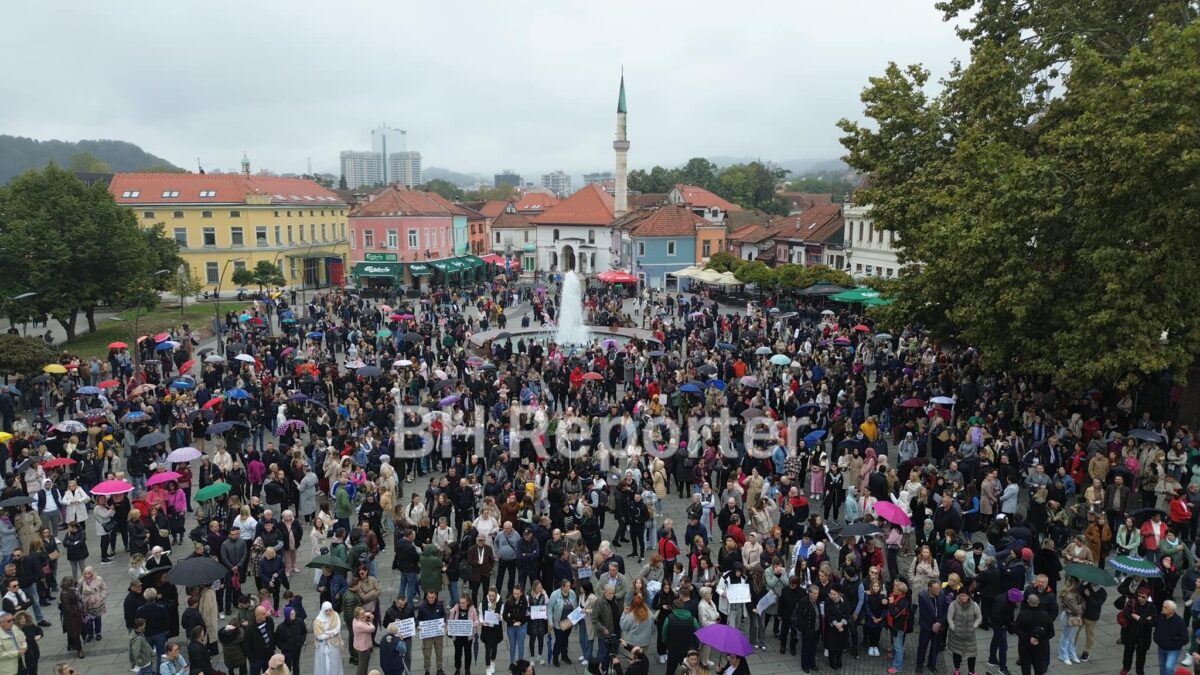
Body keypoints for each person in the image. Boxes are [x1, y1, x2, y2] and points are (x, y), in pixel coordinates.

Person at [1014, 594, 1053, 675]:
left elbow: (1017, 629)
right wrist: (1039, 639)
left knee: (1025, 667)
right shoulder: (1045, 615)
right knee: (1039, 667)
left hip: (1024, 645)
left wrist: (1029, 638)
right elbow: (1051, 633)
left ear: (1028, 602)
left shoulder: (1022, 614)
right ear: (1039, 602)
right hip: (1040, 646)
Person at [946, 585, 981, 675]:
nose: (963, 597)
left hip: (970, 635)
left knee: (972, 654)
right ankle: (957, 669)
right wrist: (953, 627)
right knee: (957, 653)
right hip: (956, 635)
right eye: (961, 595)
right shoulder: (953, 604)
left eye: (965, 595)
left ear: (968, 596)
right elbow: (949, 617)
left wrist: (974, 626)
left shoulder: (974, 605)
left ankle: (971, 671)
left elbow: (979, 617)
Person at [915, 580, 945, 674]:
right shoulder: (922, 596)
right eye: (936, 589)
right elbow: (924, 614)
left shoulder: (941, 594)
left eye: (938, 589)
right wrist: (934, 626)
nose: (938, 591)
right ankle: (919, 665)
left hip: (938, 626)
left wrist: (939, 623)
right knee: (922, 646)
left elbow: (944, 610)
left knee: (935, 647)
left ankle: (932, 665)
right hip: (926, 626)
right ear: (929, 589)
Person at [415, 589, 447, 675]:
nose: (431, 599)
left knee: (439, 653)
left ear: (435, 596)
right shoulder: (422, 607)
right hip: (427, 635)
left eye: (432, 597)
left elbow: (444, 615)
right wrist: (417, 625)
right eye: (429, 597)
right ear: (427, 596)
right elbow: (418, 618)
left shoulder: (440, 605)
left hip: (438, 634)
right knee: (427, 654)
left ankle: (439, 669)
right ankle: (427, 670)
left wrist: (444, 621)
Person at [1154, 599, 1188, 675]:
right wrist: (1156, 638)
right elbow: (1157, 629)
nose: (1162, 608)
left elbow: (1185, 638)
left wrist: (1174, 644)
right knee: (1162, 666)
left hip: (1173, 650)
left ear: (1172, 610)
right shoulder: (1161, 617)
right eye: (1163, 606)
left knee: (1169, 667)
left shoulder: (1179, 622)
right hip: (1161, 648)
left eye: (1165, 607)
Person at [795, 584, 821, 674]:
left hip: (816, 629)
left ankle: (812, 664)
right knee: (806, 648)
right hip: (808, 630)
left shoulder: (816, 601)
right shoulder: (804, 602)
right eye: (814, 593)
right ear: (809, 593)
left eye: (817, 593)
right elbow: (800, 617)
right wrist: (801, 630)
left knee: (813, 648)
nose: (816, 595)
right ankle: (805, 665)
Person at [313, 601, 345, 675]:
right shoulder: (318, 621)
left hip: (334, 644)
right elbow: (319, 636)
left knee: (335, 661)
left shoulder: (335, 615)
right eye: (326, 610)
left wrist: (327, 633)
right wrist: (329, 635)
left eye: (330, 609)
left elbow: (337, 629)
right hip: (322, 646)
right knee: (324, 663)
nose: (329, 612)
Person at [274, 606, 307, 675]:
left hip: (297, 648)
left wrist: (301, 641)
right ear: (287, 615)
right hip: (287, 651)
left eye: (294, 613)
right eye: (291, 614)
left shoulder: (299, 622)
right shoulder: (281, 627)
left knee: (296, 665)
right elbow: (277, 640)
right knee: (287, 667)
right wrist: (284, 647)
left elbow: (304, 632)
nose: (294, 615)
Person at [244, 606, 276, 675]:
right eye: (264, 614)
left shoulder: (269, 621)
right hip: (257, 658)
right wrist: (252, 659)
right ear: (257, 616)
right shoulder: (249, 629)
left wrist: (272, 648)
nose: (267, 614)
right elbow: (247, 646)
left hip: (269, 654)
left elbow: (272, 634)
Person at [59, 576, 86, 659]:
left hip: (73, 615)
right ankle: (79, 649)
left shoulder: (70, 590)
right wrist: (76, 610)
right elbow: (67, 607)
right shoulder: (65, 594)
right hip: (71, 616)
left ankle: (70, 645)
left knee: (72, 631)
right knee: (75, 632)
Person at [353, 607, 378, 675]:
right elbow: (372, 628)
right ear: (358, 616)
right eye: (362, 614)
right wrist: (370, 619)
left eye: (364, 612)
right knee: (362, 666)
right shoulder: (360, 625)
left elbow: (367, 614)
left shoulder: (355, 619)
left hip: (358, 645)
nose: (364, 614)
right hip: (363, 648)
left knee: (363, 664)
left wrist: (368, 615)